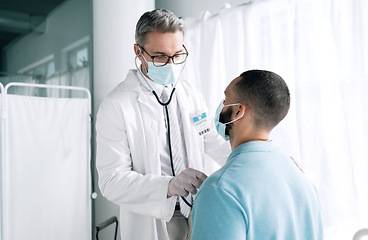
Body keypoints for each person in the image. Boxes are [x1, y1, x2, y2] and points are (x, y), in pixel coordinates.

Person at [95, 9, 230, 240]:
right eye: (159, 56)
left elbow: (211, 139)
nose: (171, 64)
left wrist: (254, 157)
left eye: (177, 55)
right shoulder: (116, 105)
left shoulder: (190, 94)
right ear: (138, 51)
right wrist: (168, 185)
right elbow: (111, 180)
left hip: (198, 209)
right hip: (156, 216)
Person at [191, 70, 323, 239]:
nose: (221, 106)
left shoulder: (219, 189)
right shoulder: (302, 180)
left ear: (238, 111)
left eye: (226, 100)